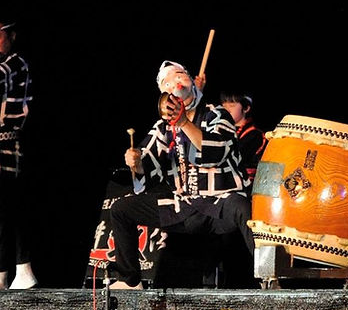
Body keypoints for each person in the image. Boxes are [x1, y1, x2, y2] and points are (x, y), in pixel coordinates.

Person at [108, 60, 254, 289]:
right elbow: (149, 164)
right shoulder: (163, 127)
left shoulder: (217, 114)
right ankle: (129, 280)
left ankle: (268, 279)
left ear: (190, 80)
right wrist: (135, 162)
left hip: (221, 201)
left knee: (245, 208)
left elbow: (215, 151)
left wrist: (184, 121)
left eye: (179, 75)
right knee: (121, 209)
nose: (174, 81)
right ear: (164, 95)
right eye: (167, 81)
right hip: (184, 205)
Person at [0, 20, 38, 289]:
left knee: (9, 208)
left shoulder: (15, 64)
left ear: (11, 36)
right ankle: (4, 272)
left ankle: (23, 269)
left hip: (7, 147)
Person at [218, 90, 266, 188]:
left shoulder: (255, 135)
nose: (226, 110)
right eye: (224, 106)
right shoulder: (220, 129)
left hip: (245, 188)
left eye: (231, 105)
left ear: (246, 108)